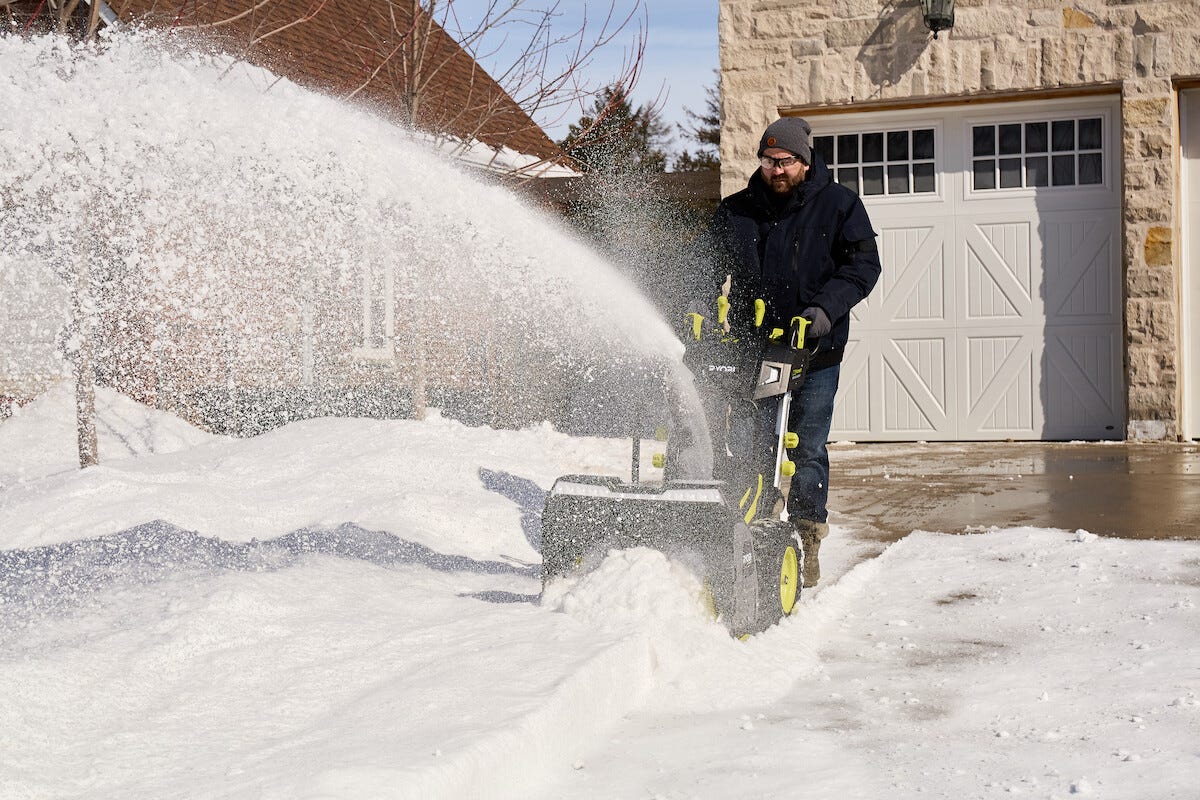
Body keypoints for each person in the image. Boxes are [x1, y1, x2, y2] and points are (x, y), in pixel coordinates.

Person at [691, 117, 881, 588]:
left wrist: (824, 309)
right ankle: (749, 529)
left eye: (786, 161)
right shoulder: (737, 210)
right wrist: (698, 304)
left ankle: (807, 536)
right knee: (750, 442)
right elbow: (702, 264)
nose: (776, 170)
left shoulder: (839, 205)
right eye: (768, 160)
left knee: (807, 448)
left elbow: (863, 266)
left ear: (805, 161)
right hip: (753, 349)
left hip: (814, 353)